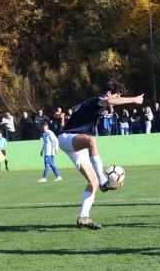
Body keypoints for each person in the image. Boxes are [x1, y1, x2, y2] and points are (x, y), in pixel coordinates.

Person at [58, 80, 143, 229]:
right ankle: (103, 180)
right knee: (91, 140)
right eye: (117, 96)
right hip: (67, 138)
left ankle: (83, 217)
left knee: (93, 182)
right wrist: (134, 99)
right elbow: (109, 101)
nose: (117, 100)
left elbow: (78, 109)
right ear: (109, 93)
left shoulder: (95, 104)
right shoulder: (98, 100)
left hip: (77, 143)